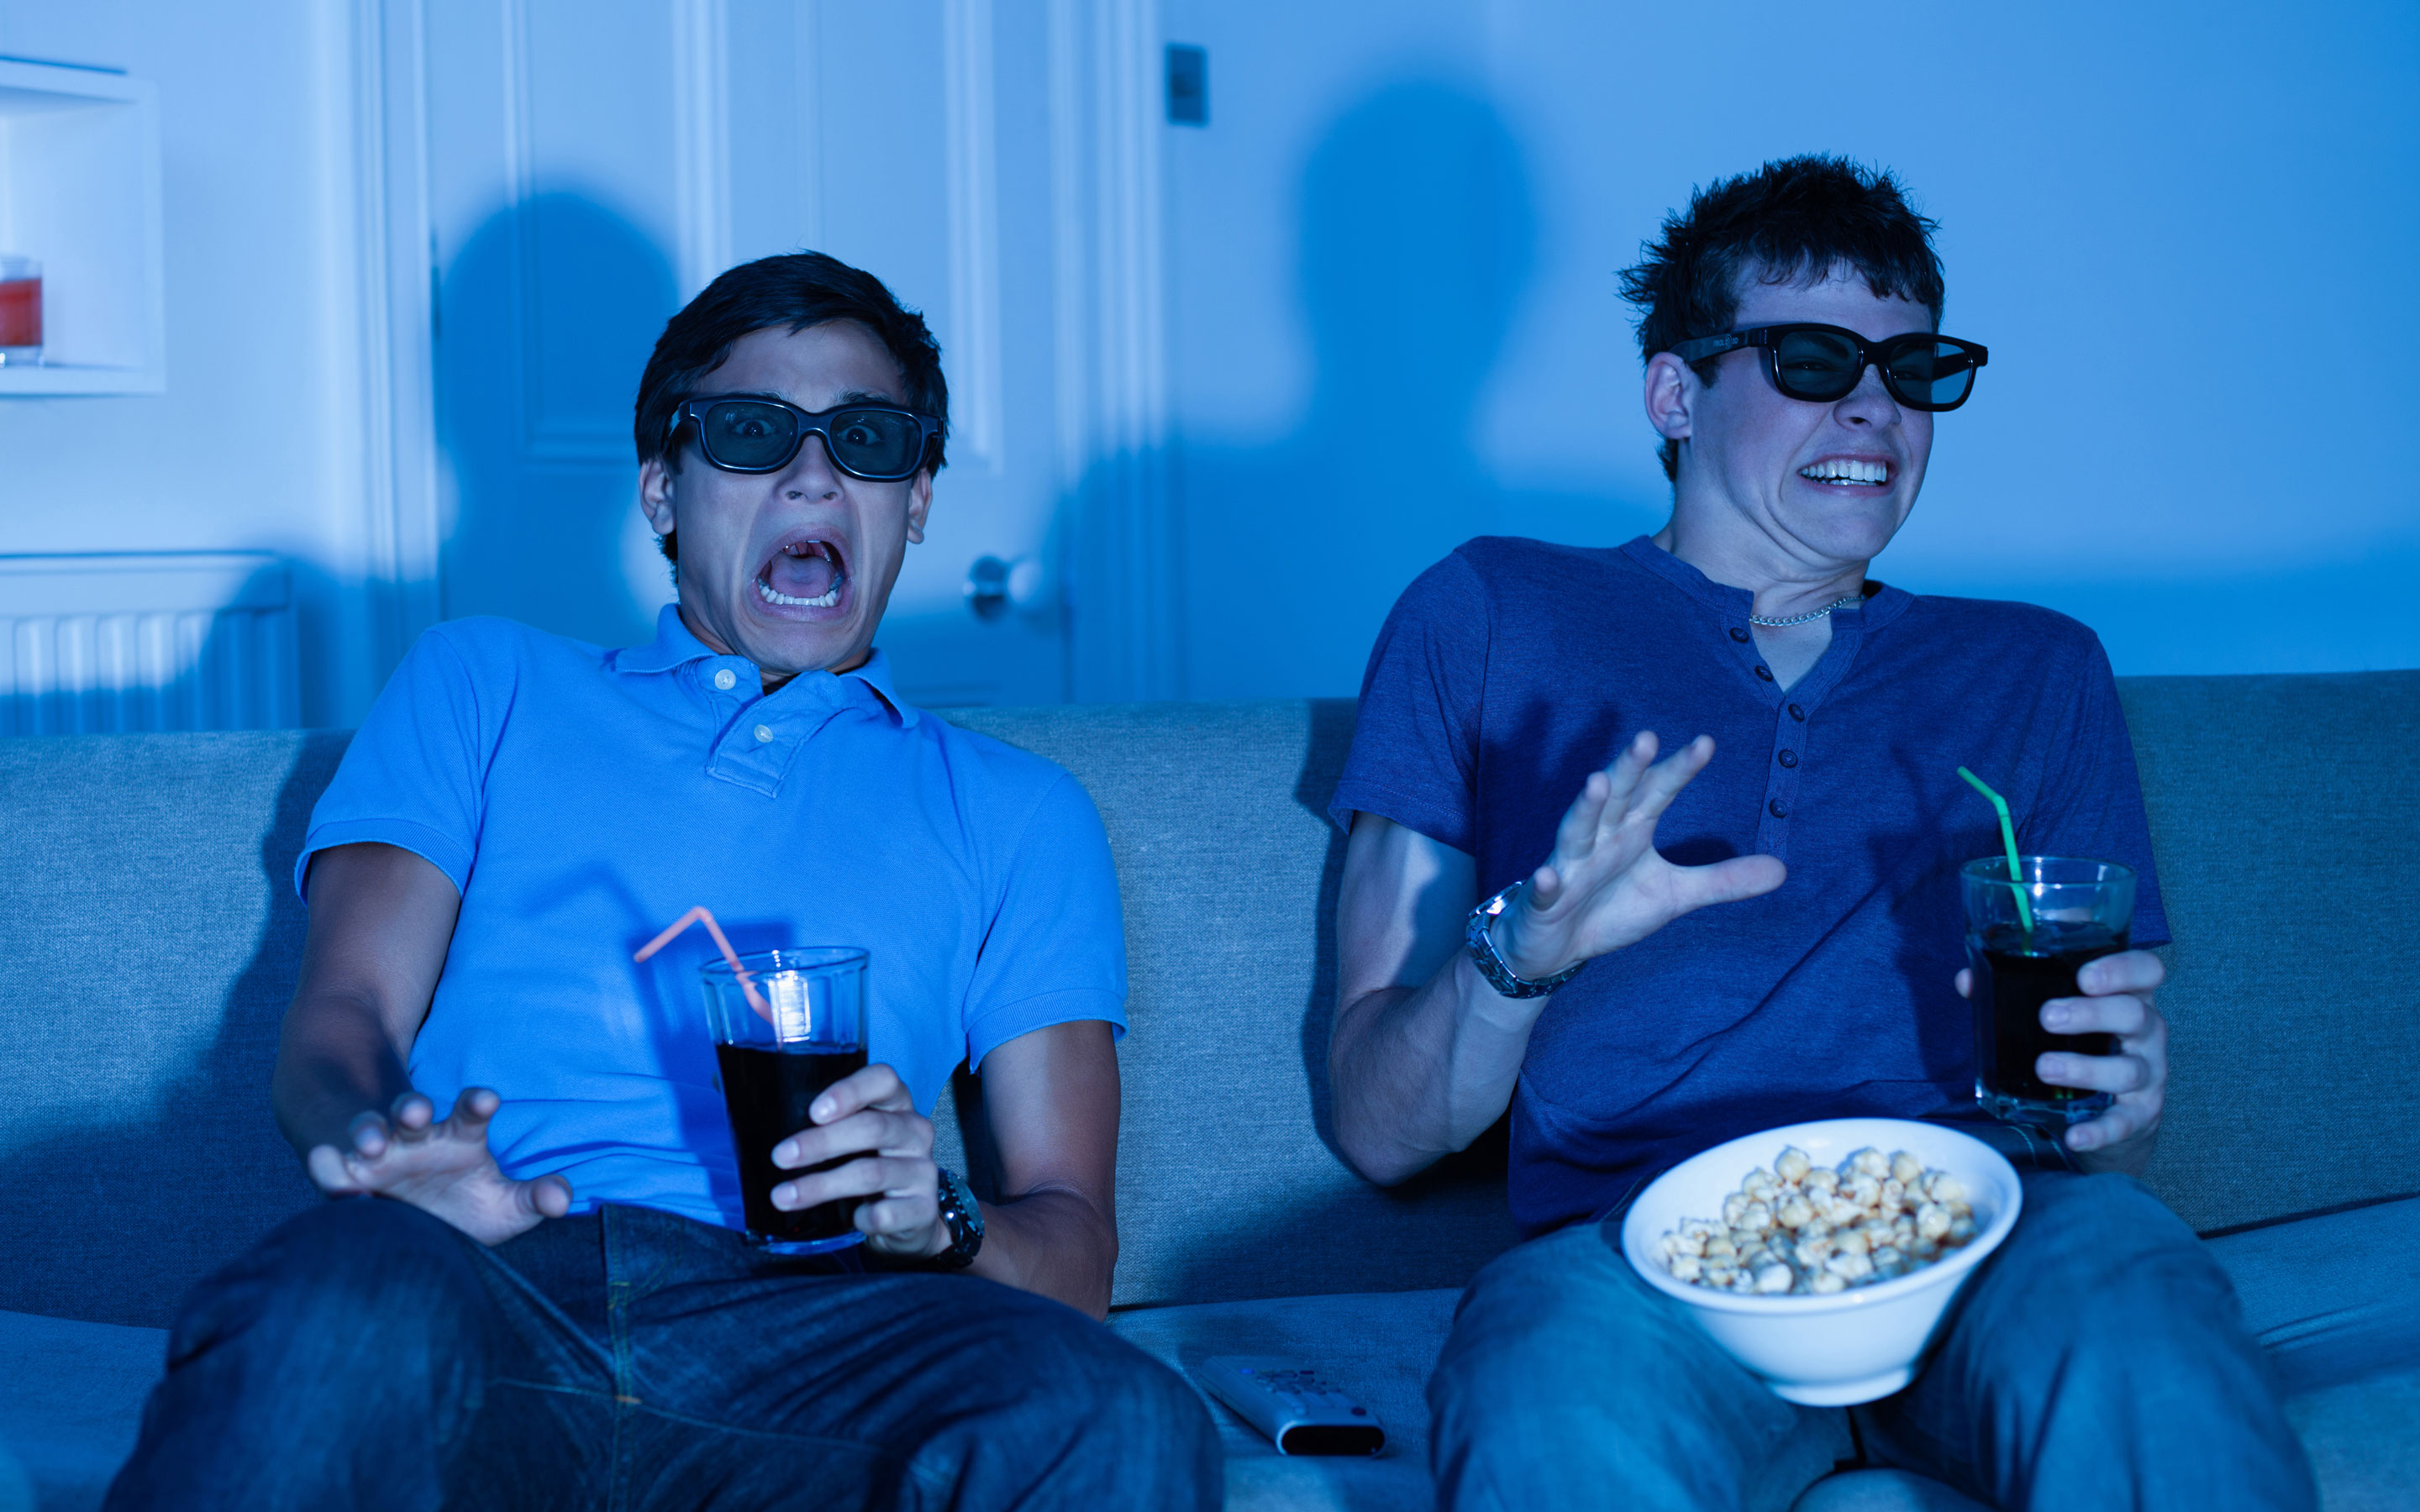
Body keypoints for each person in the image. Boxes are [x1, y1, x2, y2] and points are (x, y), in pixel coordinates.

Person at [107, 252, 1218, 1511]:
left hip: (825, 1336)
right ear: (661, 489)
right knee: (335, 1306)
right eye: (750, 432)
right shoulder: (484, 684)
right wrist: (385, 1153)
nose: (812, 474)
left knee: (1117, 1412)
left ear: (914, 500)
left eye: (865, 440)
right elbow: (340, 1021)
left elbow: (1073, 1254)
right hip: (492, 1281)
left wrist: (943, 1217)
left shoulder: (1019, 813)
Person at [1325, 157, 2314, 1510]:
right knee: (1547, 1396)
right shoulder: (1488, 613)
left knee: (2145, 1317)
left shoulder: (2038, 669)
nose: (1874, 407)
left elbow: (2096, 1132)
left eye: (1913, 370)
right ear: (1676, 394)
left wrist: (2119, 1113)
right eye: (1810, 359)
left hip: (1988, 1236)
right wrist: (1524, 954)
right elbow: (1376, 1128)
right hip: (1644, 1267)